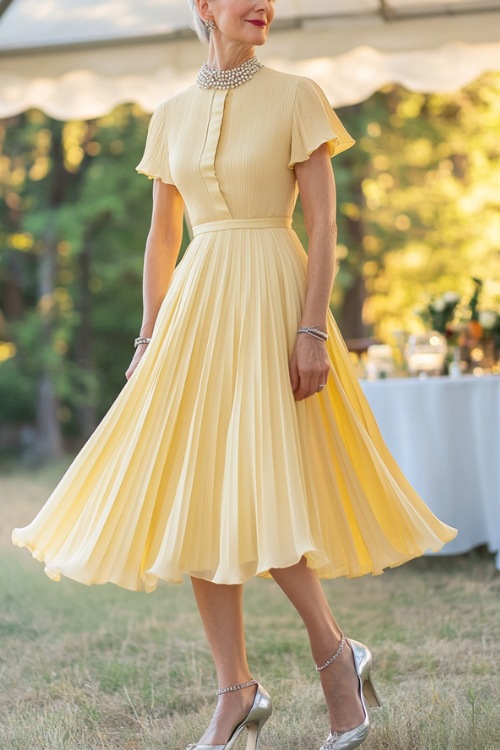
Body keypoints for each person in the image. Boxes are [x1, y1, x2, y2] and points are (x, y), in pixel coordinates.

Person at [12, 1, 458, 749]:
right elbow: (161, 240)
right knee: (196, 494)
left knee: (262, 484)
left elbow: (323, 229)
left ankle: (334, 655)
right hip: (195, 312)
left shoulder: (297, 96)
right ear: (204, 7)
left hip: (275, 305)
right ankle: (236, 691)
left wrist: (314, 330)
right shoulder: (169, 115)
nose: (264, 6)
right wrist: (147, 337)